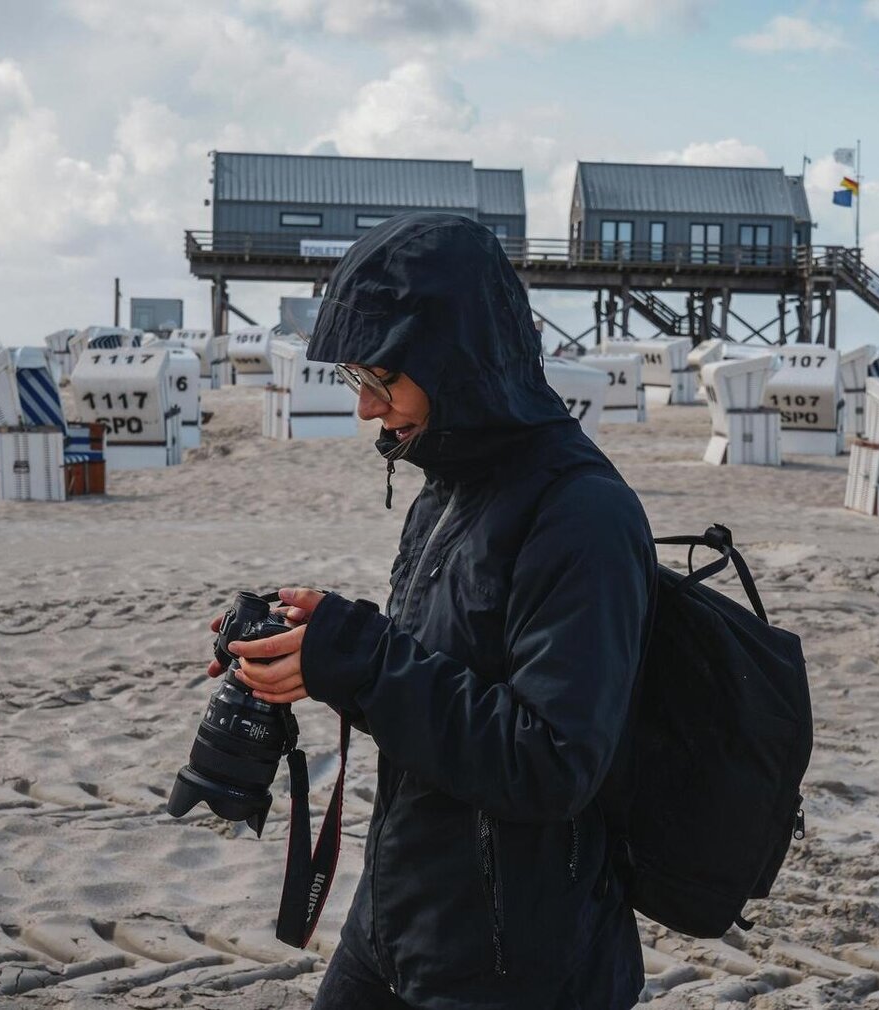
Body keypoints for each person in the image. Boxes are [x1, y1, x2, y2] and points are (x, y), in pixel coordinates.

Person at [210, 213, 657, 1009]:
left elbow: (550, 762)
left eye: (381, 379)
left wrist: (361, 661)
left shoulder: (583, 514)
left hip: (513, 962)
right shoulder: (449, 483)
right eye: (355, 379)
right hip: (401, 912)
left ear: (456, 361)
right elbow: (434, 672)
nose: (365, 408)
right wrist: (315, 647)